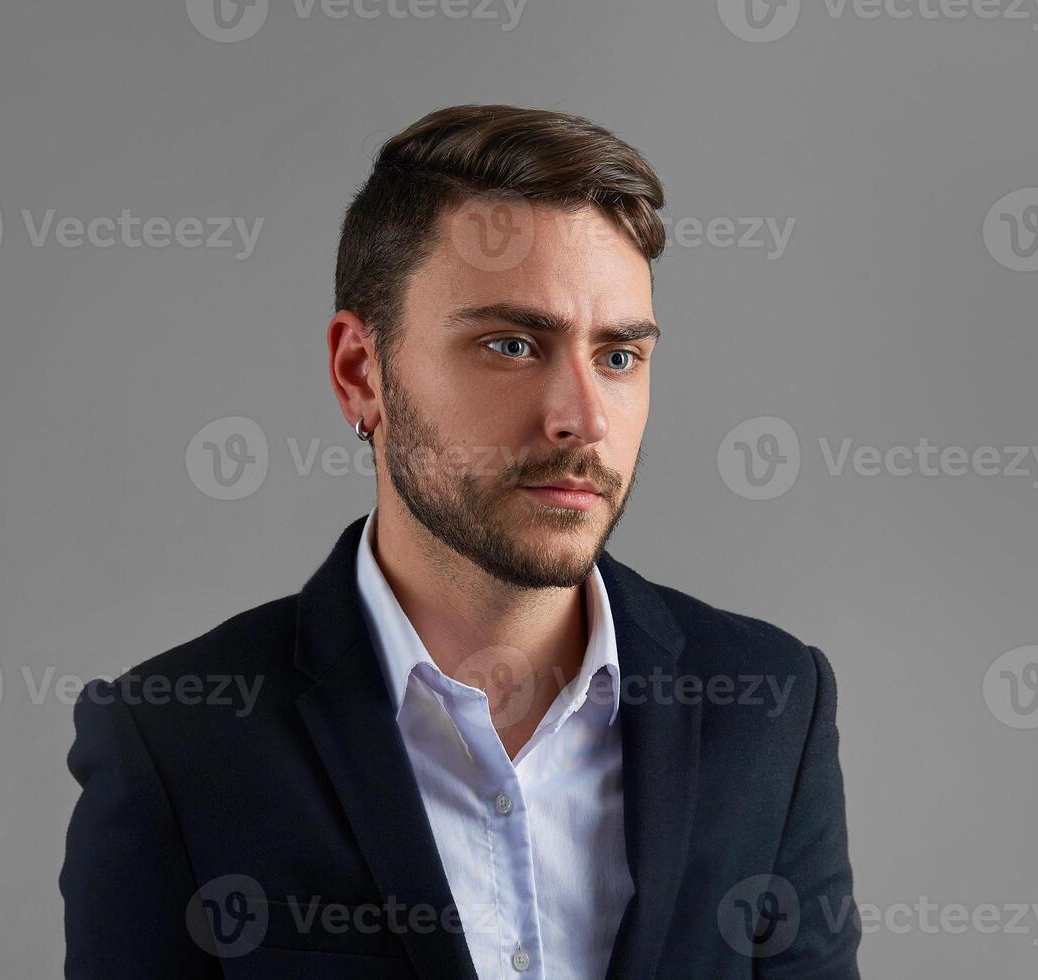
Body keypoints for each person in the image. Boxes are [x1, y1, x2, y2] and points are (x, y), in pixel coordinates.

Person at [60, 103, 861, 979]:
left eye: (619, 356)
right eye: (512, 344)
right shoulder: (177, 743)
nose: (583, 418)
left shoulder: (771, 710)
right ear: (360, 373)